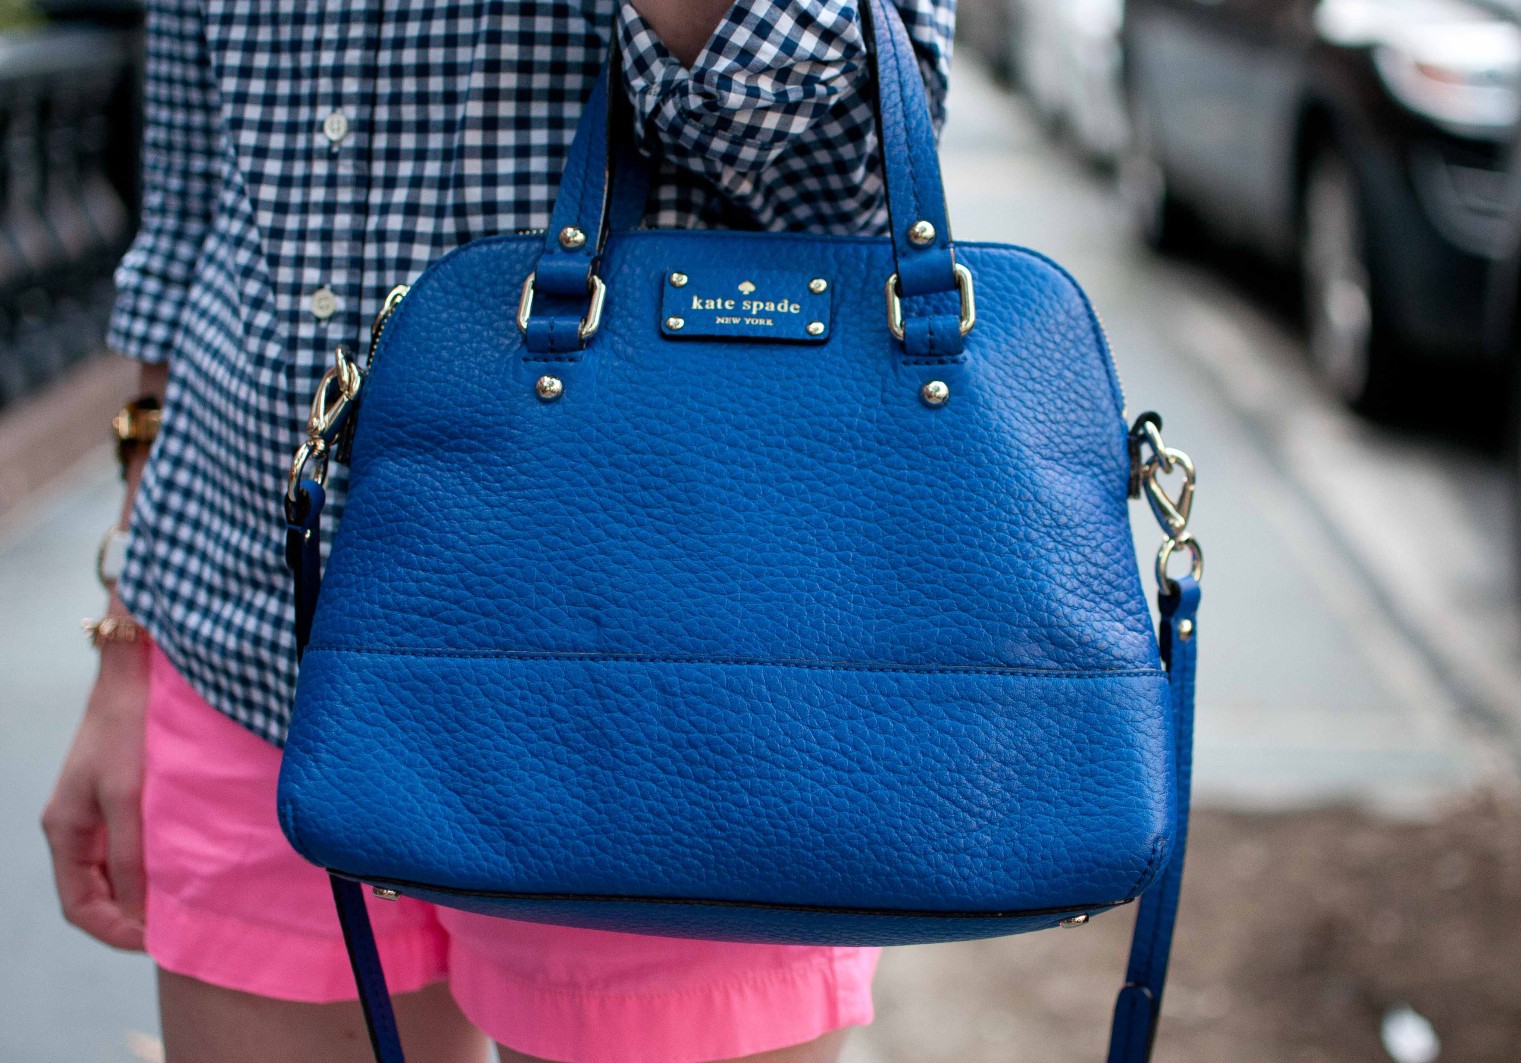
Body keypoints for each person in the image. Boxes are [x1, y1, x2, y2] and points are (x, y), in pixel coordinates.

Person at [39, 2, 956, 1061]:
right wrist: (127, 637)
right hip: (246, 632)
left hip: (658, 677)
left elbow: (850, 180)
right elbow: (190, 229)